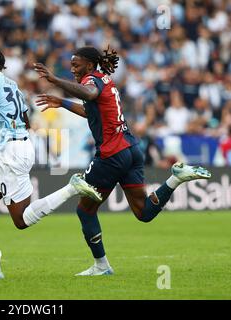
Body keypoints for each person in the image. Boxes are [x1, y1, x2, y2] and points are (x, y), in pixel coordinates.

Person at [34, 46, 212, 276]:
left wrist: (54, 79)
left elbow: (89, 94)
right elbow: (91, 110)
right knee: (144, 212)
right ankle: (176, 179)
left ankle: (101, 266)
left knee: (85, 211)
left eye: (76, 65)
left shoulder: (91, 79)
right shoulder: (103, 80)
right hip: (131, 149)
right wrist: (63, 103)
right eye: (71, 66)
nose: (73, 69)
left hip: (112, 154)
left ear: (89, 65)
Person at [0, 47, 102, 280]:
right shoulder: (11, 84)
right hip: (19, 146)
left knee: (21, 220)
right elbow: (25, 116)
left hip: (11, 152)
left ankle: (71, 188)